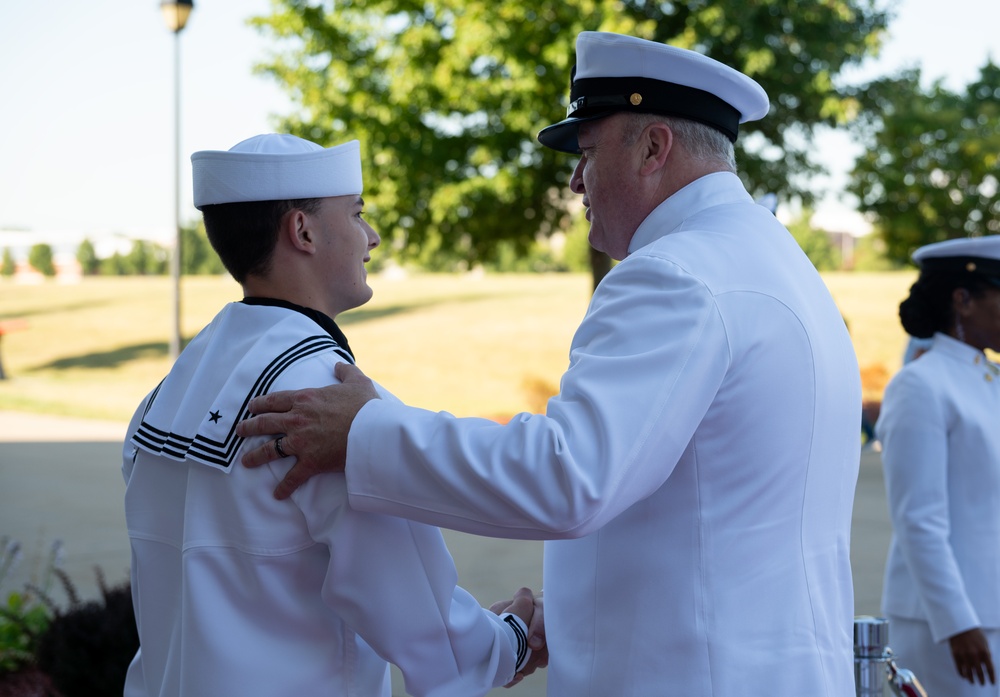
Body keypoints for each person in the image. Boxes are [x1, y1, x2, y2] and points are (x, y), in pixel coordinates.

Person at [237, 32, 862, 695]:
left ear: (653, 148)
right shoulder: (771, 258)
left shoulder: (676, 275)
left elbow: (571, 475)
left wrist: (365, 430)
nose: (572, 181)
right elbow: (697, 510)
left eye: (586, 153)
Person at [121, 133, 536, 697]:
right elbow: (425, 625)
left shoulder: (167, 391)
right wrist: (511, 641)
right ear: (304, 230)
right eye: (358, 213)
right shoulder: (326, 403)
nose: (373, 236)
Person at [877, 236, 1000, 696]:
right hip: (947, 623)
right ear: (962, 300)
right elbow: (918, 519)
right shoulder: (920, 386)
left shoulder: (986, 381)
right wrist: (957, 623)